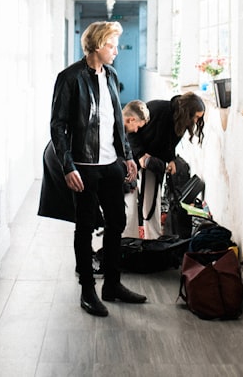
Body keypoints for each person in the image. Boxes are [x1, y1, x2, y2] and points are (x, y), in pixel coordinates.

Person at [50, 21, 146, 317]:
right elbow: (58, 125)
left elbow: (118, 119)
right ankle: (88, 289)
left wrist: (127, 155)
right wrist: (67, 166)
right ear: (96, 46)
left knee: (117, 220)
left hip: (110, 164)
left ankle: (113, 284)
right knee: (85, 226)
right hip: (84, 166)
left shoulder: (112, 75)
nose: (116, 51)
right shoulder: (70, 78)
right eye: (111, 45)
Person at [125, 92, 205, 239]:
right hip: (132, 156)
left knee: (152, 201)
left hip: (154, 163)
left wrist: (171, 159)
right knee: (129, 199)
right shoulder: (156, 108)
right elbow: (130, 132)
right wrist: (141, 155)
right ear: (188, 112)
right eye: (196, 117)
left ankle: (153, 239)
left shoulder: (181, 122)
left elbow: (168, 144)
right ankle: (129, 241)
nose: (195, 121)